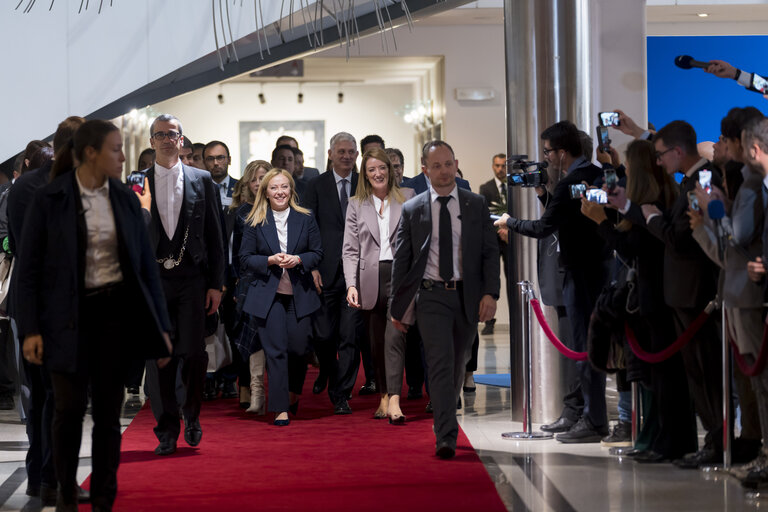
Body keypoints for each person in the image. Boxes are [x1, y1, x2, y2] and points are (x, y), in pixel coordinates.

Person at [16, 120, 172, 512]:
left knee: (107, 414)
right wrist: (31, 329)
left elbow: (145, 269)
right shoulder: (50, 198)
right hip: (65, 318)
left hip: (113, 318)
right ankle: (66, 491)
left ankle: (104, 497)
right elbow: (30, 269)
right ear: (90, 153)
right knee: (67, 412)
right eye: (115, 149)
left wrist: (162, 327)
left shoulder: (123, 197)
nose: (123, 156)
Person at [495, 120, 611, 443]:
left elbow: (543, 228)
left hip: (580, 274)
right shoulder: (595, 174)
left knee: (583, 348)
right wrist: (544, 193)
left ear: (562, 153)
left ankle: (594, 420)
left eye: (547, 152)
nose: (545, 159)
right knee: (584, 347)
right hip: (597, 270)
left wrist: (510, 222)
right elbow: (568, 219)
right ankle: (584, 414)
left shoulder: (573, 180)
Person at [582, 139, 697, 462]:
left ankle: (670, 442)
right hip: (651, 298)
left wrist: (601, 222)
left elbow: (635, 249)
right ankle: (659, 439)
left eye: (629, 169)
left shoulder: (653, 205)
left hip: (659, 299)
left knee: (665, 378)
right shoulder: (648, 200)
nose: (625, 175)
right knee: (654, 378)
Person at [620, 120, 724, 468]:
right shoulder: (691, 180)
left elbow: (680, 237)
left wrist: (650, 218)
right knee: (696, 372)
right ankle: (712, 438)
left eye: (662, 154)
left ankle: (717, 440)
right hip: (683, 291)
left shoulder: (702, 180)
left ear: (678, 151)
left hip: (695, 292)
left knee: (705, 373)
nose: (659, 161)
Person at [390, 140, 499, 458]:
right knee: (438, 363)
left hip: (466, 296)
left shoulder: (475, 204)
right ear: (424, 169)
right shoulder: (413, 208)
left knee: (457, 365)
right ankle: (446, 434)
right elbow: (402, 260)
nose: (443, 171)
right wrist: (398, 307)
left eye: (448, 164)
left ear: (456, 164)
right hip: (431, 297)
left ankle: (446, 416)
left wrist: (490, 293)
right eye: (435, 165)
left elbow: (489, 252)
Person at [7, 116, 86, 507]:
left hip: (54, 307)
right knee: (52, 396)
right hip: (46, 307)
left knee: (51, 396)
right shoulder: (35, 189)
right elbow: (31, 252)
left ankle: (45, 475)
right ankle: (51, 476)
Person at [142, 114, 224, 457]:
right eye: (159, 134)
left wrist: (217, 284)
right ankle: (166, 430)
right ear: (151, 142)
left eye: (171, 134)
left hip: (193, 278)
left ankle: (192, 414)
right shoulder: (137, 181)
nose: (165, 139)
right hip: (154, 281)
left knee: (192, 353)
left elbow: (216, 234)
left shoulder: (202, 179)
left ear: (181, 139)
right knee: (159, 357)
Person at [240, 169, 322, 425]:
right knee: (275, 351)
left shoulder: (305, 218)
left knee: (298, 348)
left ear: (291, 190)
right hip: (268, 296)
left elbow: (317, 253)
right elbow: (245, 258)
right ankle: (280, 408)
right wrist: (270, 260)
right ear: (266, 191)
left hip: (299, 295)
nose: (280, 192)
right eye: (274, 188)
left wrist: (298, 259)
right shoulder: (255, 220)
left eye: (284, 187)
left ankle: (292, 394)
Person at [342, 148, 415, 422]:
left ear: (390, 169)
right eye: (371, 170)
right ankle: (384, 394)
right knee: (376, 343)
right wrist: (351, 284)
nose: (377, 173)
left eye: (381, 168)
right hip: (370, 279)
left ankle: (395, 397)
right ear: (365, 174)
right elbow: (350, 249)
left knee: (395, 338)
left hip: (400, 277)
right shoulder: (355, 204)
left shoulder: (407, 197)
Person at [304, 132, 365, 414]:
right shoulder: (315, 185)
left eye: (351, 151)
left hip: (358, 272)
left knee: (349, 335)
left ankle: (340, 393)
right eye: (341, 151)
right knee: (324, 335)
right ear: (330, 154)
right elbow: (307, 228)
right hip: (324, 271)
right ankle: (329, 370)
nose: (346, 156)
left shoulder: (365, 185)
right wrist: (312, 265)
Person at [230, 160, 271, 413]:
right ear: (247, 183)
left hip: (277, 279)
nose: (258, 183)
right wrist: (235, 283)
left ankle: (273, 390)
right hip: (248, 282)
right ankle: (254, 391)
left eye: (263, 178)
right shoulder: (241, 213)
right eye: (255, 179)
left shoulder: (282, 208)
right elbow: (235, 254)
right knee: (250, 336)